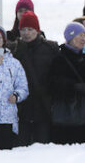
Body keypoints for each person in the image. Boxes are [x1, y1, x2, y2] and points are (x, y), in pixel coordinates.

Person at [49, 23, 85, 144]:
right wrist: (74, 87)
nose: (84, 39)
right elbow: (53, 83)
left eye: (84, 35)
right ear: (70, 37)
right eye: (80, 35)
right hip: (66, 117)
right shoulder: (59, 59)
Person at [12, 10, 59, 145]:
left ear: (37, 30)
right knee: (21, 149)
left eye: (30, 29)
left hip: (44, 106)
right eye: (23, 29)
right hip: (22, 109)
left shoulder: (51, 48)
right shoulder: (15, 49)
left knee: (43, 148)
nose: (26, 33)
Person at [0, 24, 29, 150]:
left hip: (7, 119)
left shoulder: (14, 63)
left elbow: (23, 86)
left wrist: (17, 95)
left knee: (5, 158)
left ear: (3, 40)